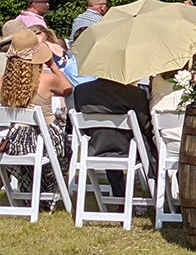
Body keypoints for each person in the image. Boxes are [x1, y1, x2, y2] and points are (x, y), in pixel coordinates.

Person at [0, 30, 73, 202]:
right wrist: (52, 64)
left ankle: (30, 192)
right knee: (65, 149)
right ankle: (47, 193)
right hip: (46, 141)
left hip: (15, 142)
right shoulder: (47, 80)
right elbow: (68, 88)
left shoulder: (3, 82)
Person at [73, 76, 157, 196]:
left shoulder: (81, 91)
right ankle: (159, 190)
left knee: (107, 136)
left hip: (96, 147)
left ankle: (119, 194)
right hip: (129, 149)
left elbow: (84, 128)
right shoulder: (134, 93)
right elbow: (145, 125)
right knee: (150, 141)